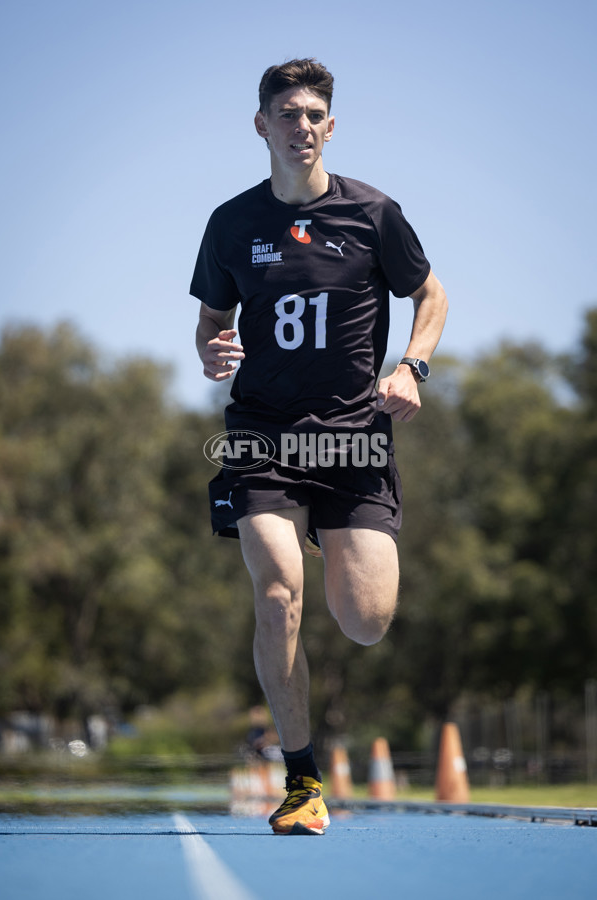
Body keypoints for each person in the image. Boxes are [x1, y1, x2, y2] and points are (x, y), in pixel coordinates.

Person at [191, 59, 448, 835]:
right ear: (261, 125)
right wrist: (210, 350)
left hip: (353, 445)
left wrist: (413, 366)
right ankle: (302, 782)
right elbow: (211, 320)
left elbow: (430, 294)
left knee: (364, 620)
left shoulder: (374, 214)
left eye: (313, 115)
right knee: (277, 596)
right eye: (286, 113)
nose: (300, 127)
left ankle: (330, 549)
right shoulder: (231, 223)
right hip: (263, 437)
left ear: (329, 127)